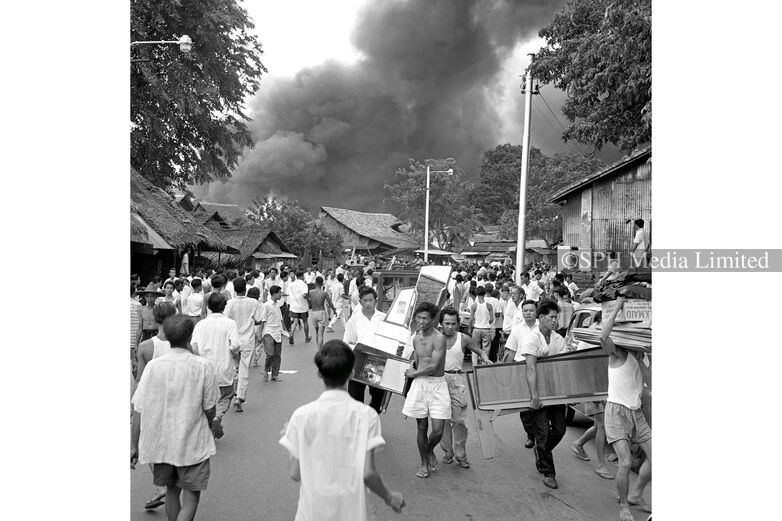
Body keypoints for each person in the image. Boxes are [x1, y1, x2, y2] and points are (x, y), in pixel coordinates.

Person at [280, 340, 405, 520]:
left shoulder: (302, 416)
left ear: (318, 373)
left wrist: (292, 438)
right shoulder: (367, 416)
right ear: (352, 373)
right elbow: (368, 473)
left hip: (312, 512)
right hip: (352, 511)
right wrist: (389, 497)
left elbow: (294, 473)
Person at [131, 315, 218, 521]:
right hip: (193, 442)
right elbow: (209, 407)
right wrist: (211, 424)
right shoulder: (202, 366)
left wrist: (134, 444)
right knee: (191, 495)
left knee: (171, 490)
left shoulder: (154, 366)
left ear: (168, 336)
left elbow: (139, 408)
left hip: (162, 443)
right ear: (189, 336)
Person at [600, 298, 652, 521]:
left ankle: (636, 493)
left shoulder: (642, 356)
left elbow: (648, 386)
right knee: (626, 462)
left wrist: (642, 360)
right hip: (616, 411)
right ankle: (624, 506)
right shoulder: (617, 353)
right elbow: (603, 336)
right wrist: (619, 305)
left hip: (636, 411)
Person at [134, 302, 178, 511]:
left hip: (152, 402)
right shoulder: (180, 344)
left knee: (149, 446)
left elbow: (141, 379)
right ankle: (170, 488)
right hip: (177, 401)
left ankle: (162, 485)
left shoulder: (145, 347)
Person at [520, 299, 568, 489]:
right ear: (541, 317)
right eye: (552, 317)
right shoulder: (531, 338)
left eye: (556, 317)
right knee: (542, 434)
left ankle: (542, 452)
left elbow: (562, 366)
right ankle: (549, 472)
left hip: (556, 392)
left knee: (560, 430)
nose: (555, 321)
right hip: (538, 393)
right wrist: (535, 396)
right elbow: (531, 369)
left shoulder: (559, 339)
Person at [437, 307, 491, 469]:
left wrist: (486, 359)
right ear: (441, 324)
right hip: (438, 380)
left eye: (453, 324)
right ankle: (447, 451)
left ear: (458, 324)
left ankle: (461, 454)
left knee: (459, 420)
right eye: (446, 323)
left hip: (456, 380)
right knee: (442, 419)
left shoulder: (464, 339)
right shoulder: (435, 338)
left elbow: (480, 351)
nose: (450, 327)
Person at [402, 302, 451, 478]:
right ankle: (423, 463)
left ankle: (429, 450)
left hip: (437, 384)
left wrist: (414, 373)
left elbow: (433, 366)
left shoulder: (439, 338)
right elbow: (417, 362)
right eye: (419, 317)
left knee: (438, 429)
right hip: (419, 385)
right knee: (421, 427)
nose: (421, 321)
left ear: (432, 320)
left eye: (425, 318)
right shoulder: (415, 338)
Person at [569, 311, 615, 480]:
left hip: (604, 388)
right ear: (597, 322)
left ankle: (578, 443)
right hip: (592, 389)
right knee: (602, 426)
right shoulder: (587, 340)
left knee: (599, 425)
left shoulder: (601, 337)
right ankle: (601, 465)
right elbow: (581, 369)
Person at [191, 293, 239, 437]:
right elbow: (235, 345)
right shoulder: (230, 323)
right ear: (224, 307)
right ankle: (217, 417)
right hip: (224, 367)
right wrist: (234, 356)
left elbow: (194, 347)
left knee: (206, 398)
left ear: (209, 307)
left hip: (204, 368)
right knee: (226, 395)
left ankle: (208, 423)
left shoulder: (200, 325)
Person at [343, 286, 387, 413]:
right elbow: (347, 342)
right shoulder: (354, 320)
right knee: (355, 397)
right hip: (358, 362)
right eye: (365, 300)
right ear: (360, 301)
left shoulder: (383, 318)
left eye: (371, 300)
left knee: (379, 397)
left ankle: (370, 415)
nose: (368, 303)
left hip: (378, 363)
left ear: (375, 300)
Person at [224, 278, 263, 412]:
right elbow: (258, 320)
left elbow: (226, 321)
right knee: (244, 369)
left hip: (233, 340)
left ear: (234, 289)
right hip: (247, 340)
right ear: (245, 289)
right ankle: (240, 397)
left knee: (235, 367)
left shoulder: (229, 303)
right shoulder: (253, 302)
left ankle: (235, 392)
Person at [258, 284, 286, 382]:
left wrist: (285, 331)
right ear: (274, 294)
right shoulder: (266, 305)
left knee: (277, 354)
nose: (280, 295)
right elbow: (262, 320)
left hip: (277, 332)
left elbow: (281, 319)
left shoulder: (277, 306)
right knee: (270, 353)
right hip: (268, 332)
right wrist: (259, 334)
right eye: (279, 293)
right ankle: (266, 371)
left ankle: (275, 374)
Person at [308, 276, 337, 349]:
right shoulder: (324, 293)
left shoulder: (311, 292)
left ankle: (318, 348)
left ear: (315, 283)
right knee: (321, 334)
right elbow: (330, 303)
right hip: (321, 312)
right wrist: (334, 310)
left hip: (313, 312)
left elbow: (309, 300)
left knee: (317, 332)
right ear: (322, 284)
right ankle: (319, 350)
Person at [468, 286, 494, 366]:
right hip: (486, 329)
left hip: (477, 328)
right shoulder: (489, 305)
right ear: (485, 293)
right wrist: (487, 322)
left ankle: (475, 365)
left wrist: (470, 328)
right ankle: (484, 365)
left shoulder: (474, 306)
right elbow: (491, 319)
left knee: (475, 348)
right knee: (486, 349)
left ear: (476, 294)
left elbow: (471, 319)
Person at [288, 270, 311, 344]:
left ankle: (291, 333)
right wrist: (309, 299)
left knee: (295, 322)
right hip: (302, 306)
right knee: (305, 321)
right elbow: (304, 295)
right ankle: (306, 338)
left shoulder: (291, 284)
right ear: (301, 276)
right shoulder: (304, 285)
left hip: (294, 306)